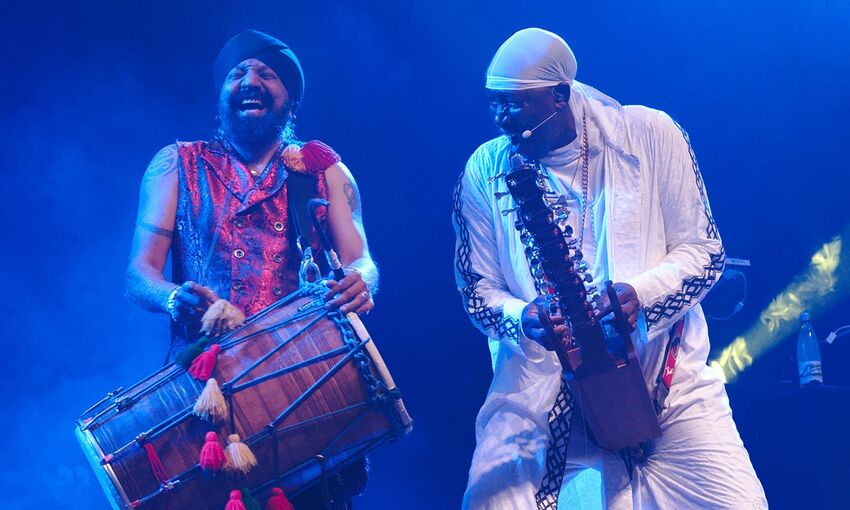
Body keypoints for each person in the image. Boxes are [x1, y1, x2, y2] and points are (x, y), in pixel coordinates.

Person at [453, 28, 766, 509]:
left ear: (560, 95)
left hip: (668, 384)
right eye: (494, 103)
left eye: (515, 104)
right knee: (491, 499)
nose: (501, 118)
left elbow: (704, 252)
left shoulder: (650, 135)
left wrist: (641, 295)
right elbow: (479, 292)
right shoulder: (484, 170)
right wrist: (523, 317)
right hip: (540, 393)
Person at [125, 29, 376, 509]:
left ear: (290, 99)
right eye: (238, 72)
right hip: (203, 393)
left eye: (267, 73)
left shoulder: (323, 171)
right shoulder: (175, 164)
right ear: (221, 93)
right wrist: (171, 297)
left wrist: (362, 280)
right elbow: (139, 273)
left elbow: (360, 258)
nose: (250, 81)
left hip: (302, 389)